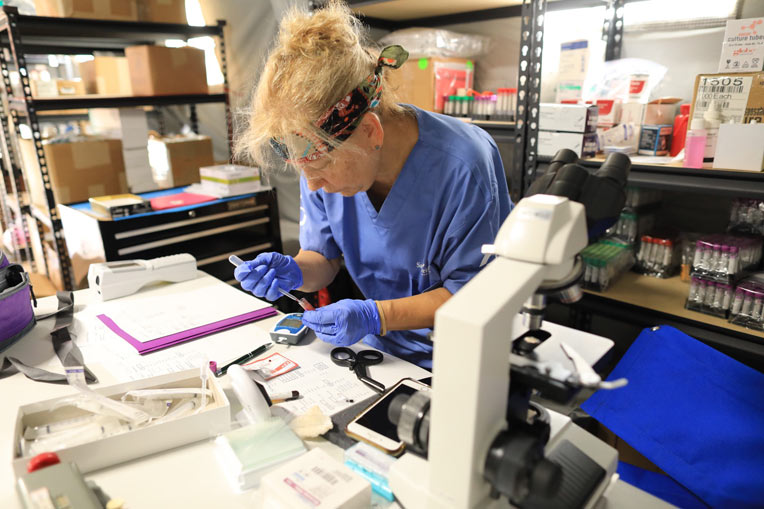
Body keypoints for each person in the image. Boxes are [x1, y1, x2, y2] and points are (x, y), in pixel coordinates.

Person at [234, 1, 512, 369]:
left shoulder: (463, 164)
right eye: (302, 172)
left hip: (460, 357)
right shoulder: (319, 161)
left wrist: (374, 316)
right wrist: (296, 270)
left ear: (369, 131)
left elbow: (473, 295)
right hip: (377, 351)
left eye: (320, 168)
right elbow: (324, 257)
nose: (313, 186)